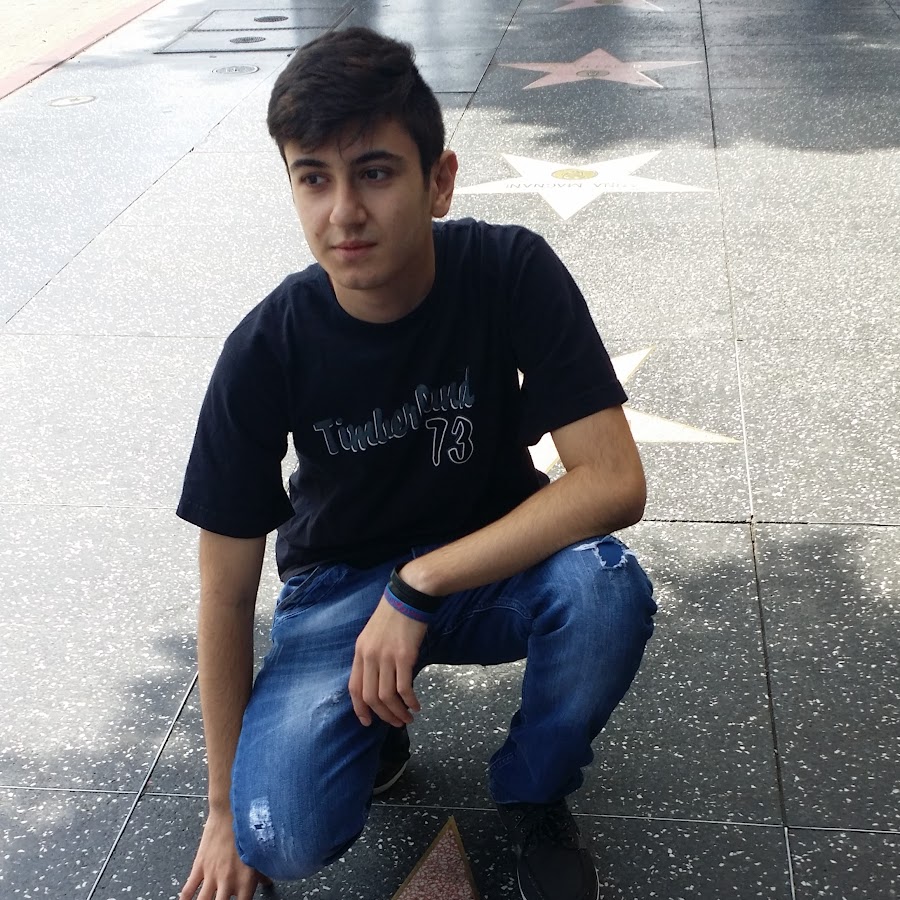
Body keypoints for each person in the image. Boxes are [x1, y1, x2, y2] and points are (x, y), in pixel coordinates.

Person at [176, 26, 656, 900]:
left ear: (439, 181)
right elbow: (226, 589)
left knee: (606, 587)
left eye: (374, 172)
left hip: (490, 563)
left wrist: (419, 583)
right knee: (277, 835)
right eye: (312, 178)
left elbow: (615, 479)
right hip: (336, 594)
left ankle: (534, 789)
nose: (342, 213)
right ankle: (373, 730)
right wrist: (220, 808)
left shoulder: (510, 270)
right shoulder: (266, 347)